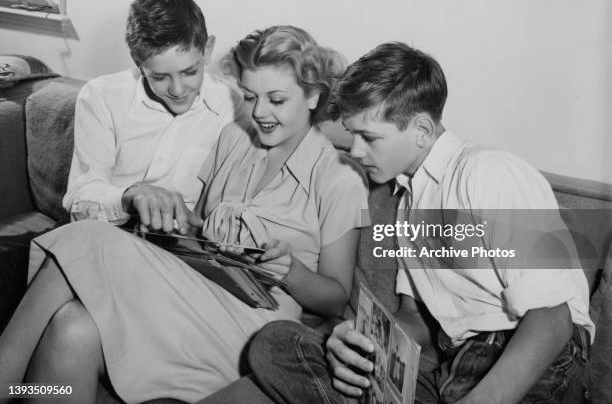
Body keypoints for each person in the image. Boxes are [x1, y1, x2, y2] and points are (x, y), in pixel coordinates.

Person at [0, 26, 369, 404]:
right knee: (72, 328)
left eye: (276, 99)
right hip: (198, 291)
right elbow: (199, 232)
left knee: (88, 237)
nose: (259, 112)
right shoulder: (234, 138)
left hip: (259, 325)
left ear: (313, 96)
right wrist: (176, 219)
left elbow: (335, 299)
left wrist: (290, 270)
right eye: (250, 96)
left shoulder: (340, 177)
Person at [218, 42, 593, 404]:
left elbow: (553, 317)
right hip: (452, 370)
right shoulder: (407, 202)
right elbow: (417, 320)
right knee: (276, 343)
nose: (356, 151)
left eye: (369, 137)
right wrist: (359, 342)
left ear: (422, 130)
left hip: (532, 361)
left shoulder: (487, 172)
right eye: (353, 136)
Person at [62, 0, 242, 233]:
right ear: (138, 62)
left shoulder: (233, 104)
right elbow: (79, 203)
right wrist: (129, 197)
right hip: (108, 236)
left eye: (190, 71)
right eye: (159, 77)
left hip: (186, 248)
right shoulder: (100, 97)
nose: (178, 90)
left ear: (207, 50)